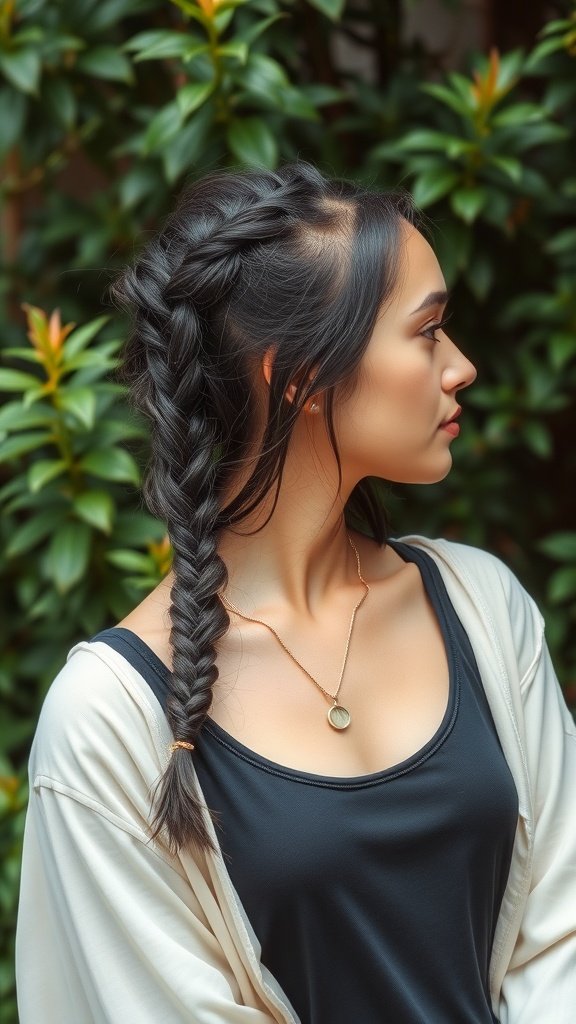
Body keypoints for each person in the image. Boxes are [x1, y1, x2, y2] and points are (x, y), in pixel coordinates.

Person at [15, 162, 576, 1024]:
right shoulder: (109, 721)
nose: (460, 367)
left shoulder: (483, 608)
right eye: (427, 333)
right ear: (301, 376)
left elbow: (560, 938)